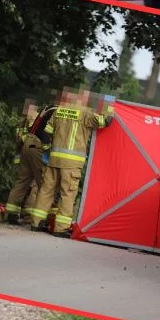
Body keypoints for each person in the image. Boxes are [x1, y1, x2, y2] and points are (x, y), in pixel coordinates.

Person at [29, 87, 113, 237]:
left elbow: (46, 132)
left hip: (54, 159)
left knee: (46, 191)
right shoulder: (86, 113)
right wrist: (109, 105)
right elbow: (105, 121)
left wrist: (48, 149)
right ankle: (60, 229)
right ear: (84, 100)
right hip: (72, 164)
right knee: (67, 194)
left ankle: (36, 223)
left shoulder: (59, 111)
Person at [4, 100, 48, 225]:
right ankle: (32, 217)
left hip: (24, 153)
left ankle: (11, 213)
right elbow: (41, 137)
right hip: (35, 150)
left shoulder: (23, 121)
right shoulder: (35, 117)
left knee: (21, 182)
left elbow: (20, 138)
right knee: (41, 185)